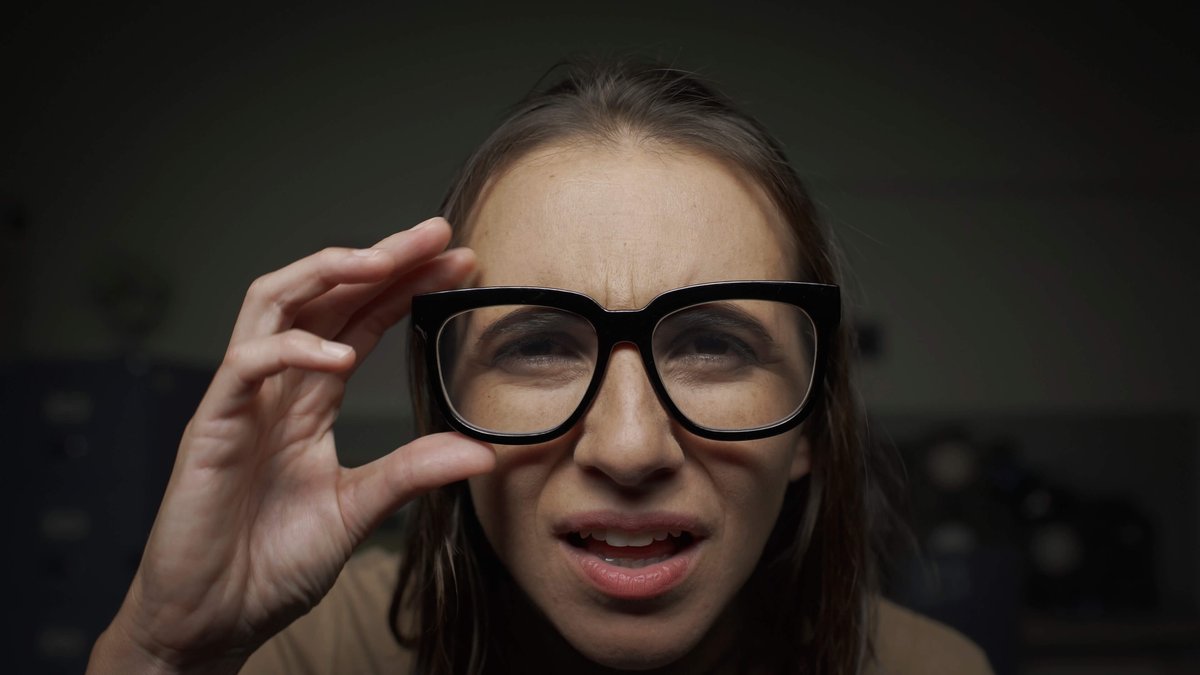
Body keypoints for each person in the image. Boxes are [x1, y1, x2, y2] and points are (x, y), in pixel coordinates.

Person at [87, 58, 993, 674]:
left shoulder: (930, 668)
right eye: (539, 345)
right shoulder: (309, 653)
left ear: (807, 418)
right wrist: (163, 654)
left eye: (714, 343)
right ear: (447, 402)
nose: (630, 447)